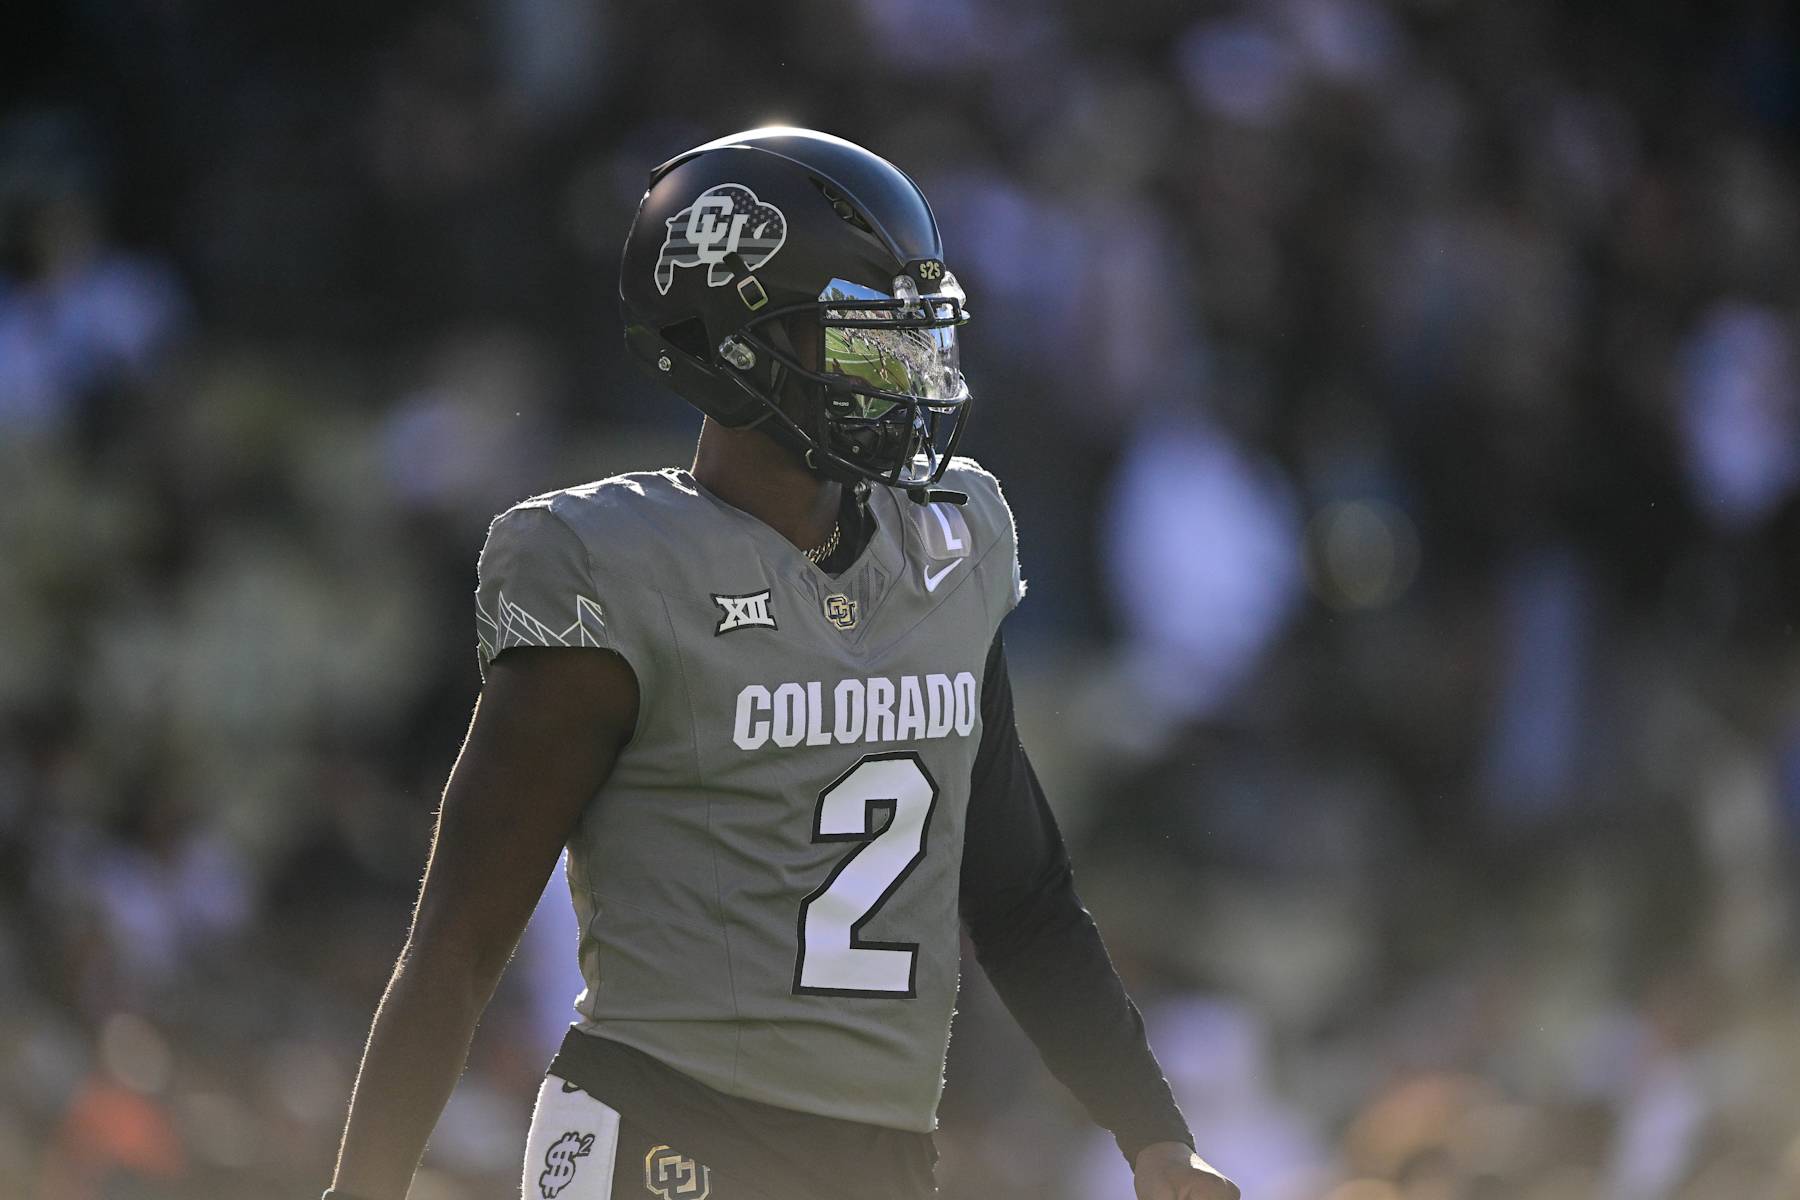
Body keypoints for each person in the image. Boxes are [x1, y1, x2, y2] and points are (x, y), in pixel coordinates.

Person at [326, 127, 1239, 1200]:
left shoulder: (949, 545)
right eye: (863, 340)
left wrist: (1151, 1135)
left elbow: (1018, 890)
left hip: (878, 1159)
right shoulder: (613, 570)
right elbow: (459, 944)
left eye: (914, 339)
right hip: (657, 1133)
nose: (904, 375)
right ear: (739, 340)